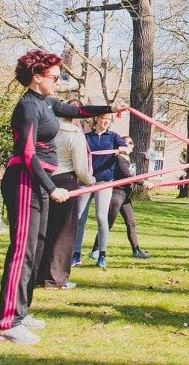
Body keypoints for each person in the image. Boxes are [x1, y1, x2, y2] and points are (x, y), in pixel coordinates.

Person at [0, 49, 120, 345]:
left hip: (38, 180)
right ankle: (6, 323)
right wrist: (52, 187)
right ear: (37, 77)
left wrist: (111, 108)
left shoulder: (46, 102)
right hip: (25, 180)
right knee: (23, 251)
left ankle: (21, 316)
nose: (58, 82)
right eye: (54, 77)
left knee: (37, 247)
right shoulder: (27, 107)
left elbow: (76, 111)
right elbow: (26, 154)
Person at [36, 112, 94, 290]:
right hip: (65, 182)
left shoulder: (44, 129)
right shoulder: (74, 133)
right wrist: (91, 180)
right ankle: (56, 278)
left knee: (43, 228)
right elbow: (81, 168)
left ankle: (37, 275)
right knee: (64, 232)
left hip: (43, 180)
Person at [72, 112, 127, 269]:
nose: (106, 122)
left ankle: (102, 254)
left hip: (104, 182)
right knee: (79, 217)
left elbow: (125, 146)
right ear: (97, 119)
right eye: (103, 119)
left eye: (108, 120)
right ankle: (76, 254)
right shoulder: (87, 138)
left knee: (102, 217)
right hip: (86, 181)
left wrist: (124, 150)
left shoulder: (113, 137)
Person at [90, 137, 149, 260]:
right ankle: (95, 250)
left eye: (132, 143)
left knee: (131, 223)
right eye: (129, 143)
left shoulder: (127, 159)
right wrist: (144, 183)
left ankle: (136, 250)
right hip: (116, 194)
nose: (132, 145)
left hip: (125, 195)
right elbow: (127, 175)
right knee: (108, 223)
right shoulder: (119, 159)